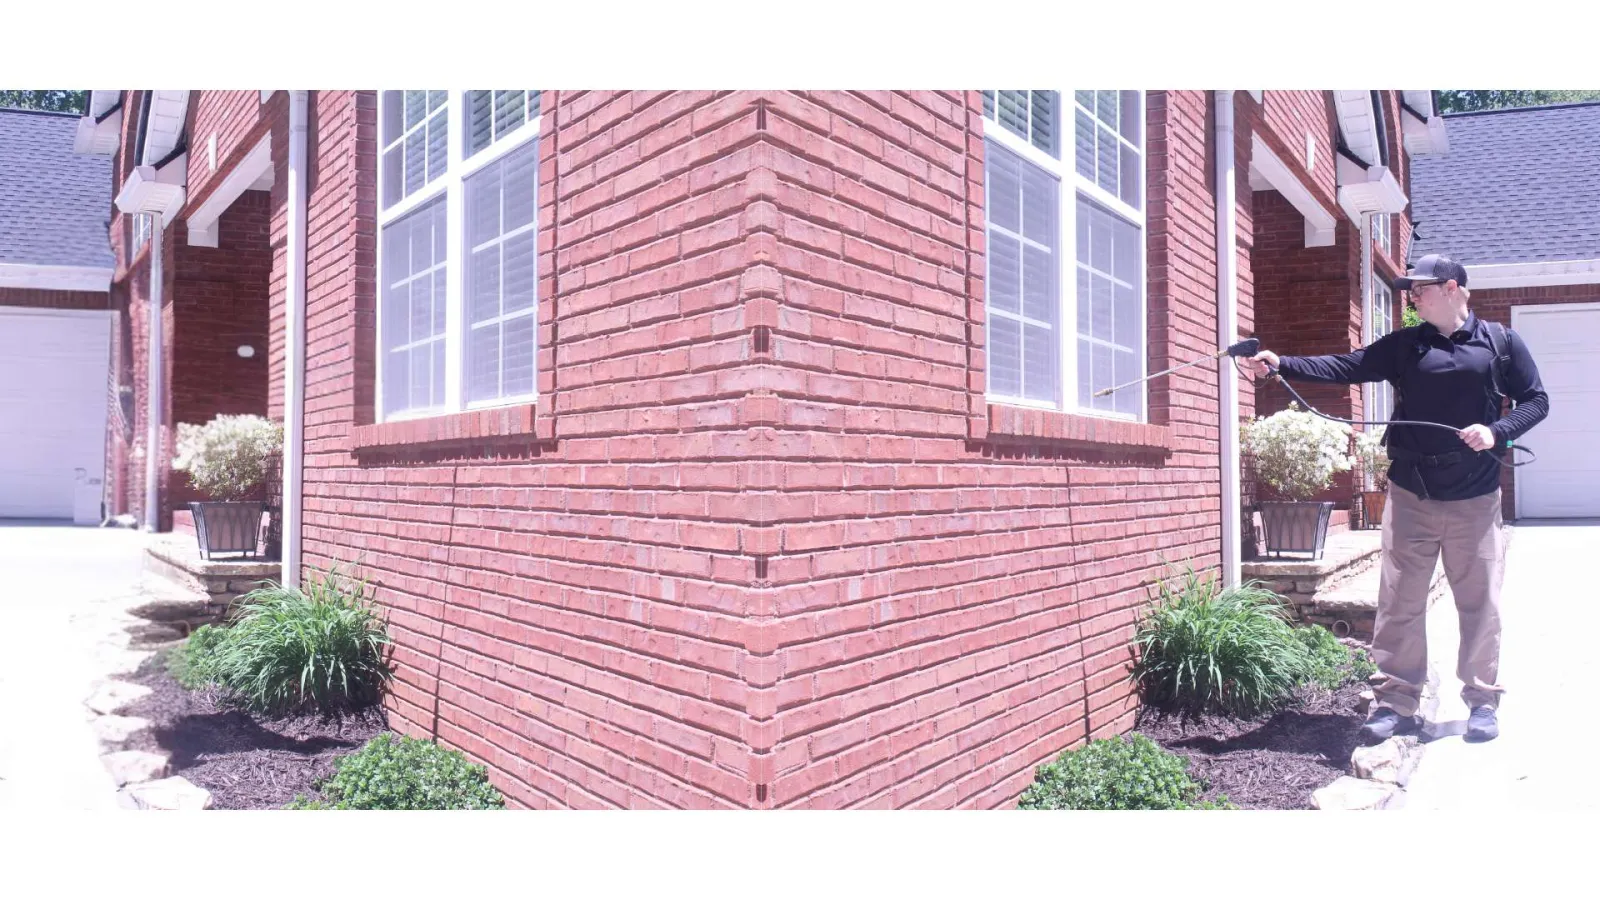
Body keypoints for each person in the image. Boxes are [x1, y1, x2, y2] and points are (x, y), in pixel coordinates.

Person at [1248, 254, 1549, 744]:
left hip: (1475, 496)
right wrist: (1283, 364)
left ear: (1451, 288)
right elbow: (1351, 366)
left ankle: (1481, 699)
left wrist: (1498, 432)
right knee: (1400, 602)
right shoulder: (1408, 345)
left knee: (1480, 602)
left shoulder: (1500, 343)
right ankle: (1397, 701)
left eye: (1420, 289)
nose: (1411, 296)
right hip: (1412, 493)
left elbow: (1537, 400)